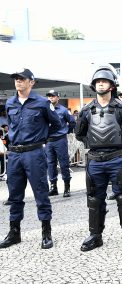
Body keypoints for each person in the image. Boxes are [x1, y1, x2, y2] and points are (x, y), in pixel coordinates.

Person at [75, 67, 122, 252]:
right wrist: (95, 145)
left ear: (112, 85)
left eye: (104, 81)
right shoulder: (86, 110)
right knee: (95, 199)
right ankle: (95, 236)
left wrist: (121, 147)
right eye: (97, 82)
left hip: (117, 160)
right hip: (95, 161)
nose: (101, 84)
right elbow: (79, 134)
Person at [0, 68, 62, 250]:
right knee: (14, 195)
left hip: (34, 153)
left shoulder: (42, 103)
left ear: (31, 82)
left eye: (22, 79)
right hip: (15, 154)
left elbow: (57, 124)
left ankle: (46, 232)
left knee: (41, 193)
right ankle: (14, 232)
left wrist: (42, 137)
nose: (18, 81)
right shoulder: (10, 103)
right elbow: (11, 126)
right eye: (16, 79)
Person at [45, 90, 76, 197]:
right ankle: (53, 187)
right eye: (49, 96)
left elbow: (72, 122)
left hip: (60, 140)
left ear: (58, 97)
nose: (50, 98)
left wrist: (65, 131)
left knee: (64, 163)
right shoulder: (45, 110)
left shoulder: (63, 110)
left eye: (53, 96)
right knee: (50, 164)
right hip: (49, 141)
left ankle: (67, 187)